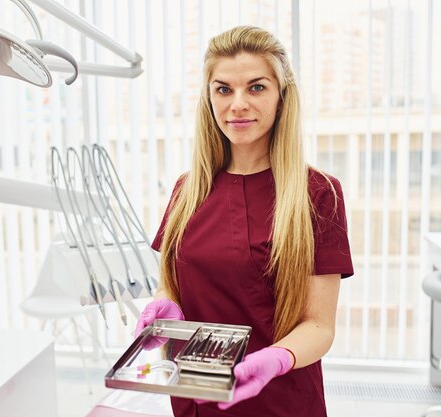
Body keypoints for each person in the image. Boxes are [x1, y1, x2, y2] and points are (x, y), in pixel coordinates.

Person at [134, 25, 354, 417]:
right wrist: (163, 308)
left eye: (256, 87)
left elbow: (319, 327)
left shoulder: (319, 194)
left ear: (282, 97)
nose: (238, 104)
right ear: (209, 99)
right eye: (223, 89)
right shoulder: (188, 190)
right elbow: (171, 283)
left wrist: (275, 359)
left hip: (279, 399)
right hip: (195, 395)